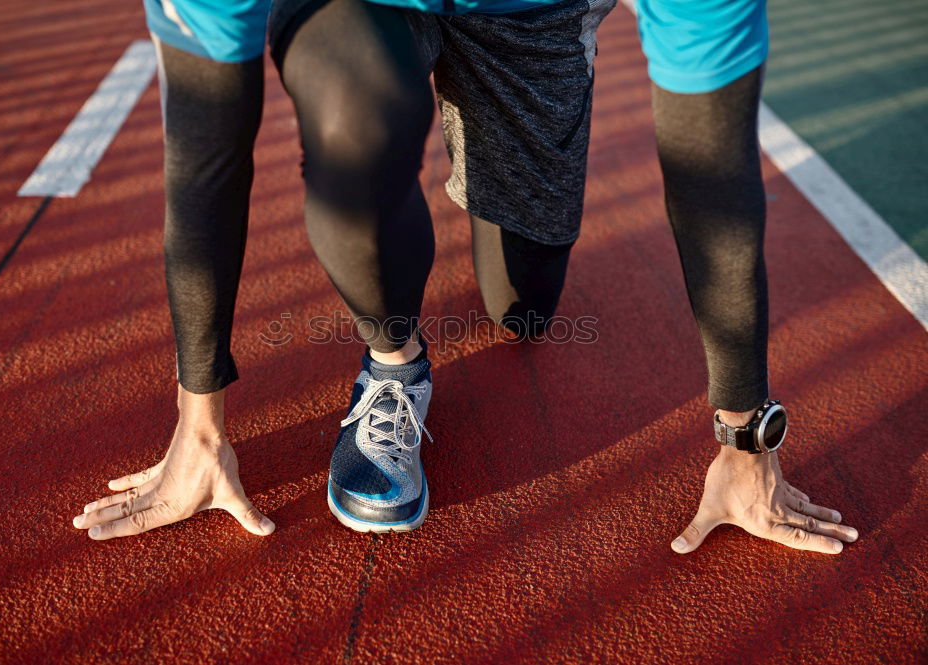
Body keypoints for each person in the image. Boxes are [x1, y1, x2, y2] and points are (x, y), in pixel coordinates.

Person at [72, 0, 859, 554]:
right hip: (363, 11)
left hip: (532, 19)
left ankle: (492, 125)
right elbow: (205, 159)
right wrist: (199, 424)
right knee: (355, 126)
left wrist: (745, 438)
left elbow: (713, 174)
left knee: (522, 309)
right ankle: (393, 367)